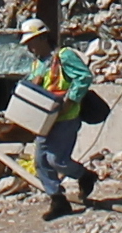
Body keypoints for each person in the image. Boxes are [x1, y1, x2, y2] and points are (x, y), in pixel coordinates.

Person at [18, 16, 99, 219]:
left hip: (66, 118)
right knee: (40, 162)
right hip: (44, 120)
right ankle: (58, 200)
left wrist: (71, 99)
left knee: (56, 160)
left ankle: (85, 176)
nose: (29, 48)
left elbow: (84, 77)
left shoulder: (64, 56)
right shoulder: (38, 64)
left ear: (42, 38)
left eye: (31, 43)